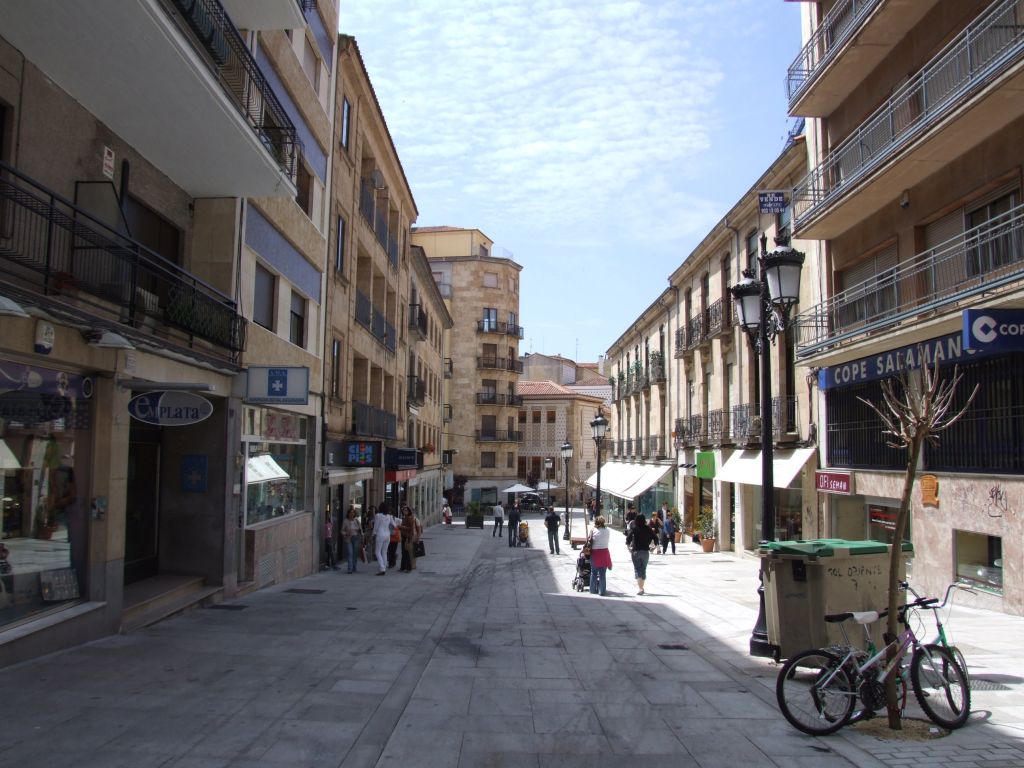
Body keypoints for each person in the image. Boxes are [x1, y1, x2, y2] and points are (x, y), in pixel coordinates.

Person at [625, 512, 656, 595]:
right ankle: (641, 587)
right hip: (645, 552)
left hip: (636, 551)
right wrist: (654, 547)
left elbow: (628, 538)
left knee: (637, 569)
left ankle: (640, 588)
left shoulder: (634, 528)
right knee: (643, 569)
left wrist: (628, 547)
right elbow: (655, 537)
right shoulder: (648, 528)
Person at [588, 515, 612, 596]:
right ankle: (602, 591)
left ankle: (592, 589)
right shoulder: (608, 530)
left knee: (594, 572)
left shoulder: (593, 530)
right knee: (602, 574)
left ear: (596, 522)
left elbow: (589, 540)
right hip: (605, 553)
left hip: (595, 553)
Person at [372, 503, 396, 575]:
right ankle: (384, 566)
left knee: (377, 551)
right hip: (387, 534)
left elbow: (376, 526)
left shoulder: (378, 516)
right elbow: (395, 525)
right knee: (384, 552)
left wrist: (373, 533)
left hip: (380, 534)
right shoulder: (389, 516)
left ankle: (382, 568)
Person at [341, 506, 362, 573]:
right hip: (348, 538)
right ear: (348, 513)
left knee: (355, 554)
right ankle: (349, 569)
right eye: (350, 512)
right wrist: (346, 533)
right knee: (350, 553)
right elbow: (342, 530)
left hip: (355, 538)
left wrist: (358, 529)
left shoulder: (356, 520)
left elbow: (360, 529)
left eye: (353, 512)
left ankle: (354, 567)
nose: (352, 514)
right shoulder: (345, 521)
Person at [400, 507, 421, 572]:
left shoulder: (411, 518)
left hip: (408, 537)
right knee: (404, 552)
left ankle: (409, 567)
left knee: (407, 552)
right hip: (404, 536)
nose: (404, 511)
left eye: (406, 510)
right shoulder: (405, 518)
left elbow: (413, 529)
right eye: (403, 510)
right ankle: (403, 567)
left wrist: (417, 538)